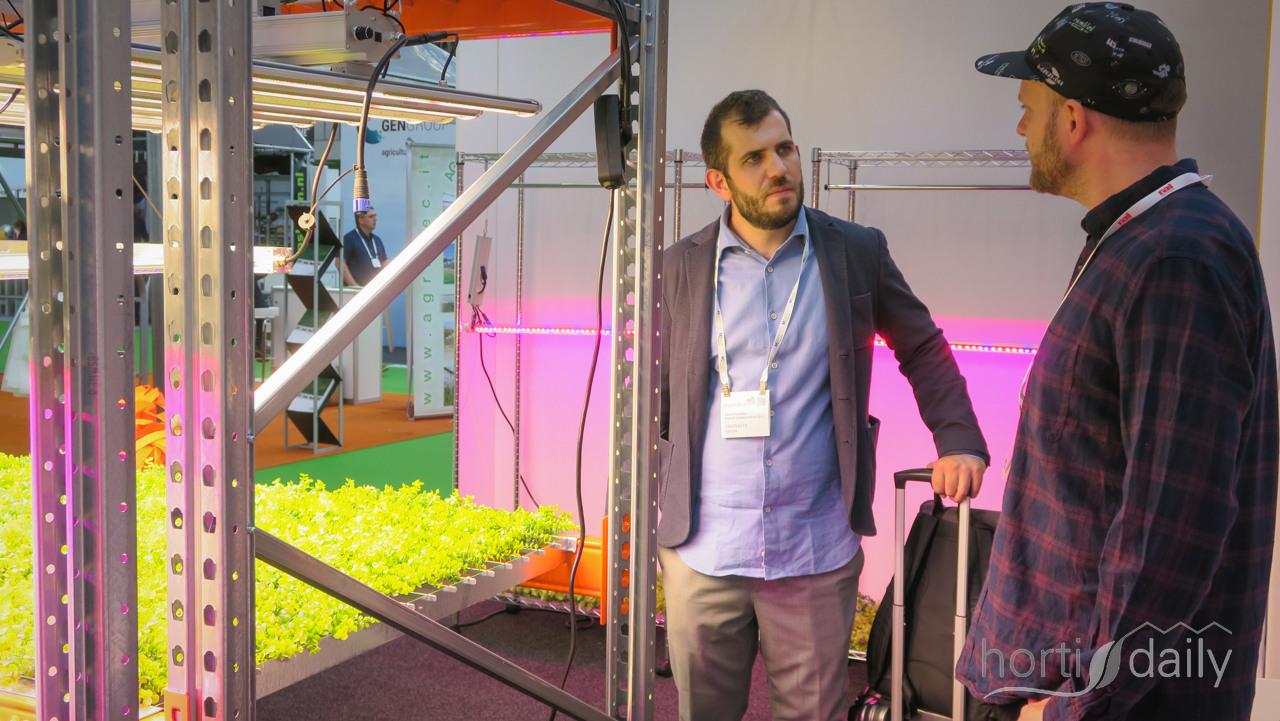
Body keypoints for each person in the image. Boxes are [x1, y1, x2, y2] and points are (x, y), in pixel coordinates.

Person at [957, 5, 1278, 720]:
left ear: (1073, 119)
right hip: (1057, 675)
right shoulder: (1141, 239)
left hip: (1100, 698)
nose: (1020, 128)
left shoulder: (1176, 259)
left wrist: (1077, 707)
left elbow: (1172, 528)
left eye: (1028, 108)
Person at [658, 89, 989, 721]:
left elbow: (922, 345)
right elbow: (653, 395)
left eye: (784, 148)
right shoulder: (676, 268)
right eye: (754, 158)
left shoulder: (855, 252)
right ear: (718, 182)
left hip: (813, 547)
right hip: (704, 549)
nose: (778, 168)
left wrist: (959, 440)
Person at [342, 206, 388, 286]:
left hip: (376, 289)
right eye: (371, 216)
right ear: (361, 220)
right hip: (357, 291)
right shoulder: (349, 239)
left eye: (375, 216)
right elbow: (339, 263)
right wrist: (355, 287)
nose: (375, 219)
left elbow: (385, 262)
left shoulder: (377, 240)